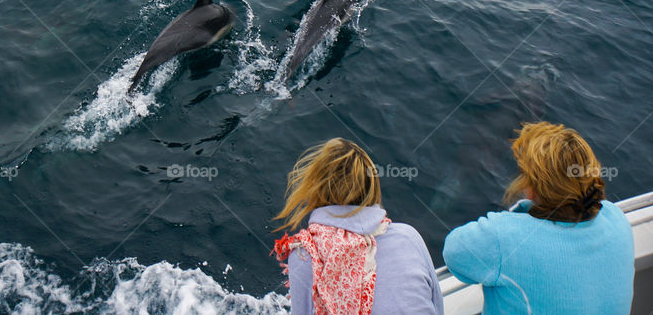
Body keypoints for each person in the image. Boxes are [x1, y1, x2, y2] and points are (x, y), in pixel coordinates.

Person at [443, 121, 634, 314]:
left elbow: (453, 252)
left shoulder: (504, 238)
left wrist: (522, 212)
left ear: (532, 189)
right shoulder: (617, 218)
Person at [272, 138, 443, 315]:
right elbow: (437, 307)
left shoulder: (303, 256)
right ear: (371, 187)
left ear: (316, 188)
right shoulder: (408, 237)